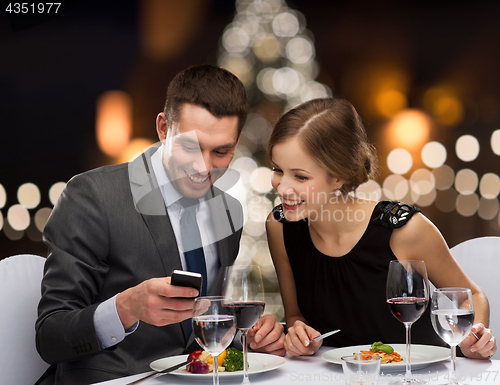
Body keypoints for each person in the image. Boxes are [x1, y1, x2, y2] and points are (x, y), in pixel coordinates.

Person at [35, 64, 285, 385]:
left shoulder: (229, 210)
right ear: (164, 128)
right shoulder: (93, 195)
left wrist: (247, 338)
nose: (203, 167)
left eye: (222, 151)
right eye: (191, 146)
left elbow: (200, 328)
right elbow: (50, 337)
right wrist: (125, 308)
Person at [265, 97, 497, 359]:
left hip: (421, 374)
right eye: (277, 170)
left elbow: (472, 295)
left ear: (338, 176)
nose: (282, 188)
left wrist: (473, 339)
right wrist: (298, 332)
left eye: (300, 176)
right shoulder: (280, 227)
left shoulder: (403, 230)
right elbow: (296, 315)